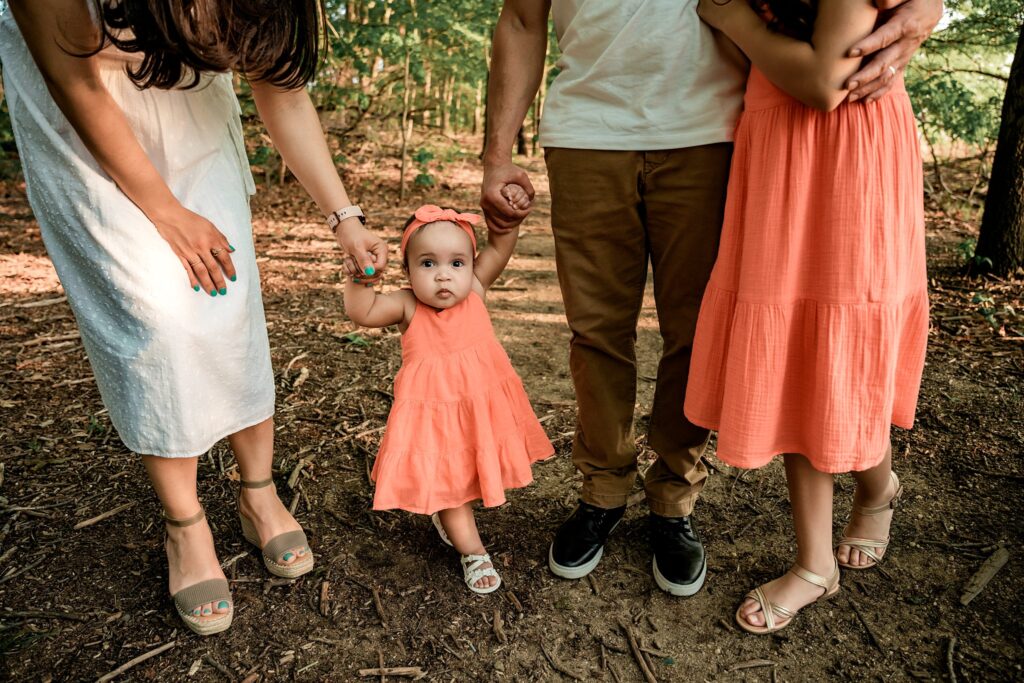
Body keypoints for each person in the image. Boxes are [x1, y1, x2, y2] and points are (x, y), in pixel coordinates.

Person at [480, 0, 942, 597]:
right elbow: (520, 19)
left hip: (714, 131)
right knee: (594, 331)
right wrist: (495, 156)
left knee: (695, 334)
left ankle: (673, 498)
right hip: (586, 133)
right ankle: (602, 491)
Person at [0, 0, 386, 635]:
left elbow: (281, 91)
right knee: (155, 317)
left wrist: (344, 217)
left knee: (226, 299)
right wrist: (164, 210)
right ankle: (185, 523)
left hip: (190, 104)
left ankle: (257, 490)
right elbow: (72, 78)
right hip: (80, 114)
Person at [685, 0, 927, 634]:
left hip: (841, 148)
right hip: (782, 142)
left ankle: (850, 520)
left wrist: (734, 19)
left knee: (829, 333)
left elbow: (826, 83)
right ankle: (844, 528)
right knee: (796, 340)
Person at [343, 197, 553, 595]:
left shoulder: (474, 289)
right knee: (453, 484)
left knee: (474, 468)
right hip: (435, 416)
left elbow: (501, 245)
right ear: (407, 270)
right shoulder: (407, 305)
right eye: (428, 264)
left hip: (481, 409)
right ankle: (473, 550)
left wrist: (509, 218)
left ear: (472, 267)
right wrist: (361, 279)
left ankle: (451, 518)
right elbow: (363, 312)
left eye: (456, 263)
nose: (444, 276)